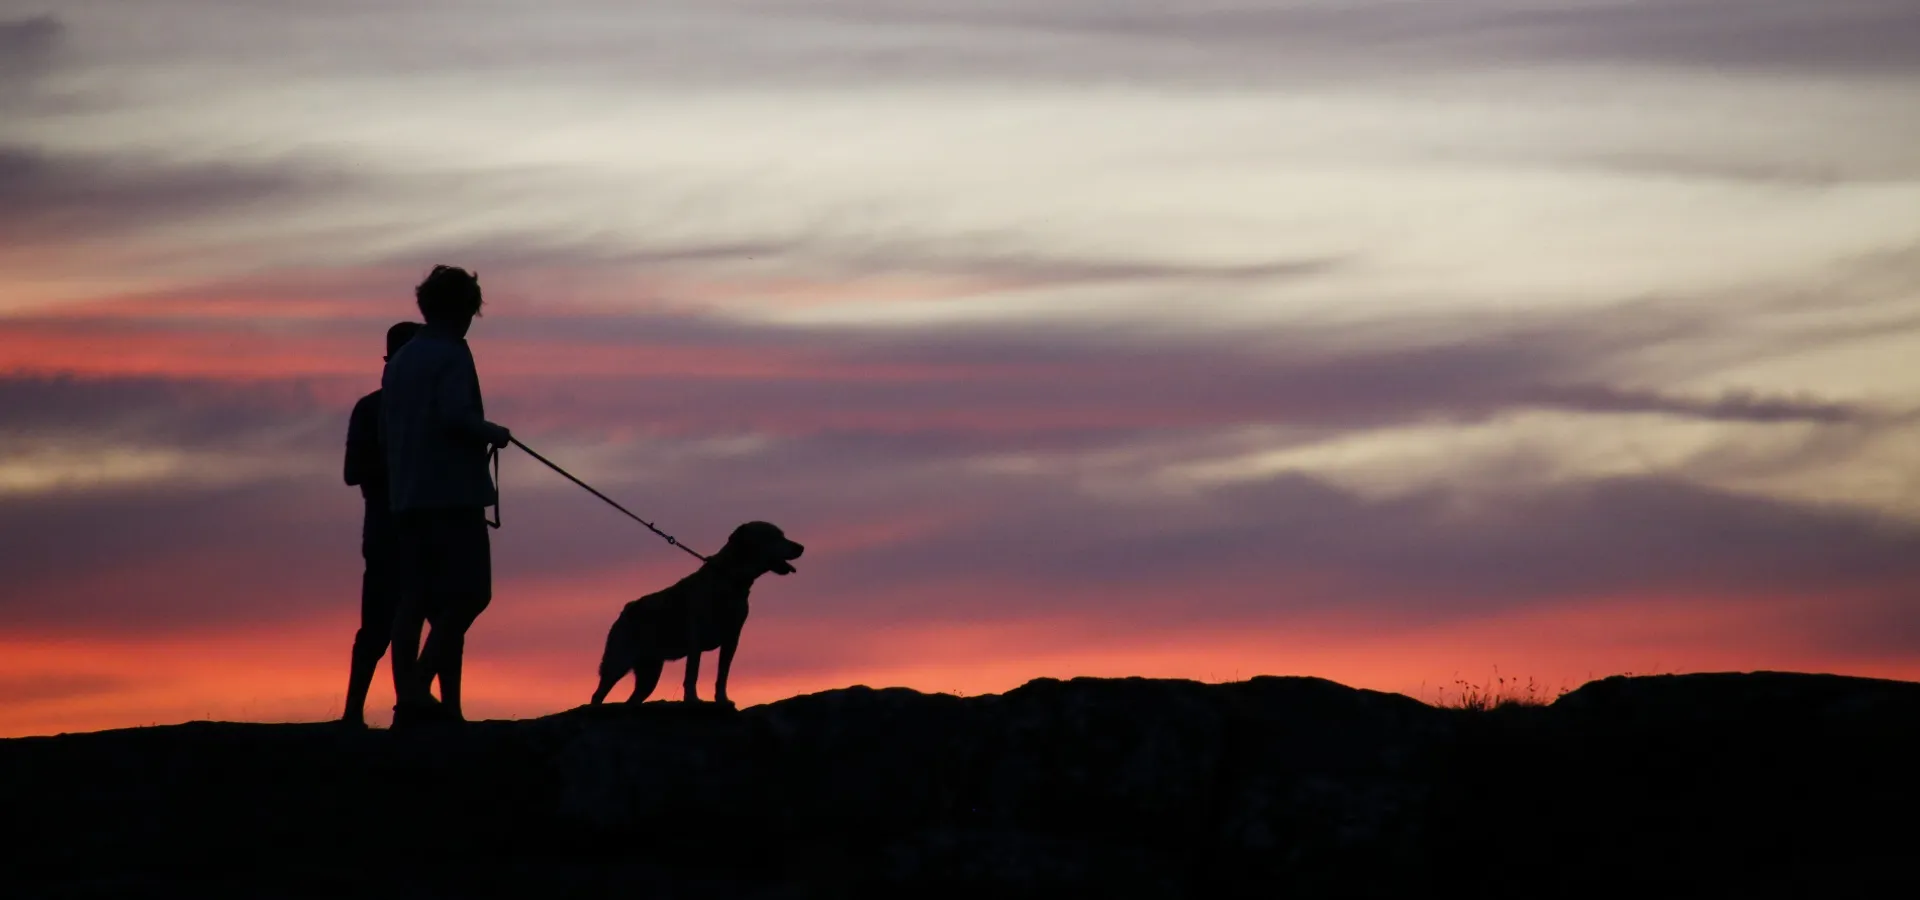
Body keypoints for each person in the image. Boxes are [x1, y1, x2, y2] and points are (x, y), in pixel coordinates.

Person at [381, 265, 512, 727]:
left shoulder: (402, 359)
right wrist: (493, 431)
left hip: (408, 494)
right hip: (452, 494)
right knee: (473, 593)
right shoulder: (452, 353)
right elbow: (456, 417)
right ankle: (417, 687)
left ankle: (408, 699)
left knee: (414, 597)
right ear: (464, 308)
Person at [340, 320, 423, 727]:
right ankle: (355, 712)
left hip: (415, 531)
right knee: (379, 628)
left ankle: (410, 708)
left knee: (416, 622)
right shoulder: (371, 409)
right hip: (387, 531)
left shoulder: (422, 409)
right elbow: (353, 472)